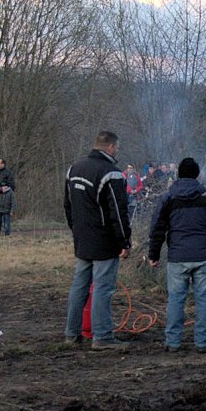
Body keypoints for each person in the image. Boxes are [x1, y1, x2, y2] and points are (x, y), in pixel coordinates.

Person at [147, 157, 206, 353]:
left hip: (178, 256)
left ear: (178, 174)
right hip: (204, 255)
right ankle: (202, 343)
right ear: (198, 175)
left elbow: (157, 229)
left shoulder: (168, 197)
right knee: (204, 299)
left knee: (176, 299)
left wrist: (154, 255)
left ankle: (173, 342)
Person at [63, 131, 132, 351]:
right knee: (103, 288)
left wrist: (76, 230)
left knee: (79, 286)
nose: (117, 151)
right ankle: (102, 336)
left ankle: (71, 333)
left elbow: (68, 205)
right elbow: (118, 212)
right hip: (104, 240)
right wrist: (124, 241)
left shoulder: (74, 169)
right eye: (116, 147)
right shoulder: (111, 174)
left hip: (82, 237)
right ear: (110, 147)